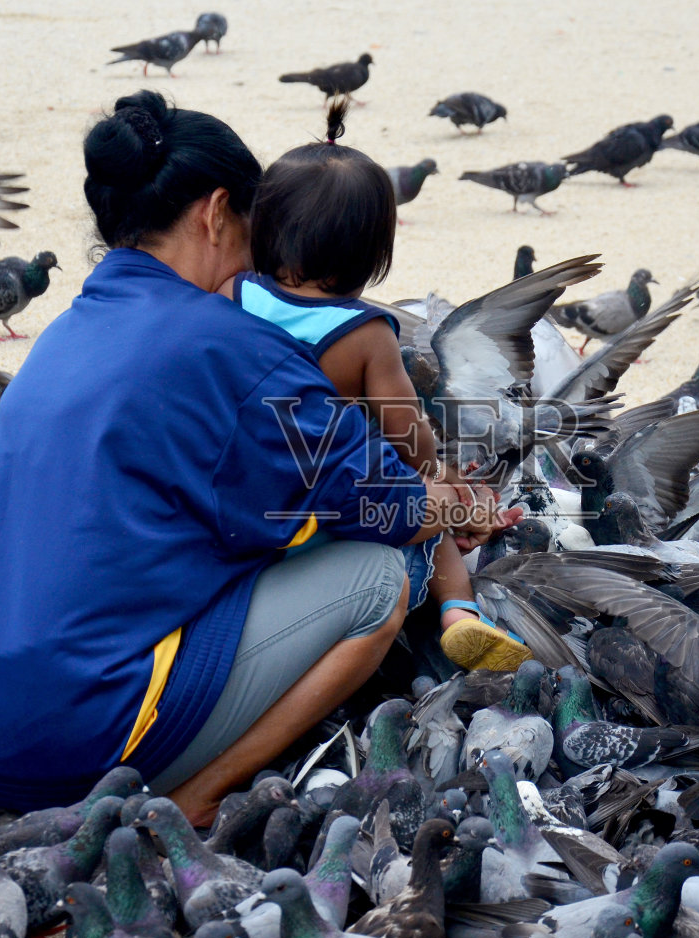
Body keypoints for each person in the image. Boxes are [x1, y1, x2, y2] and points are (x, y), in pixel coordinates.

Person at [0, 92, 505, 824]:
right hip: (58, 742)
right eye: (254, 228)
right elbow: (391, 506)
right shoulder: (234, 349)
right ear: (218, 213)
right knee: (377, 579)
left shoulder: (69, 329)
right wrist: (457, 505)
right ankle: (200, 793)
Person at [223, 100, 531, 673]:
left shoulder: (233, 296)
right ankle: (459, 612)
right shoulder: (365, 334)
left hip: (246, 509)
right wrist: (442, 479)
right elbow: (407, 432)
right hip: (331, 518)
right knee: (422, 508)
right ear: (373, 253)